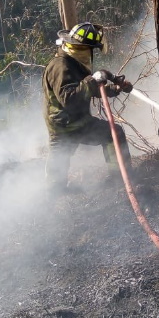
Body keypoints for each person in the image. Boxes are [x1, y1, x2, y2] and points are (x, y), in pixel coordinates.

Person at [43, 22, 134, 192]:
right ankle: (53, 200)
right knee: (57, 171)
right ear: (83, 49)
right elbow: (70, 99)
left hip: (78, 122)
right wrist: (93, 79)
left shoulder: (74, 63)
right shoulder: (61, 66)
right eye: (91, 49)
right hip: (65, 126)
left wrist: (115, 89)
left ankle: (119, 177)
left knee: (113, 133)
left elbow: (89, 89)